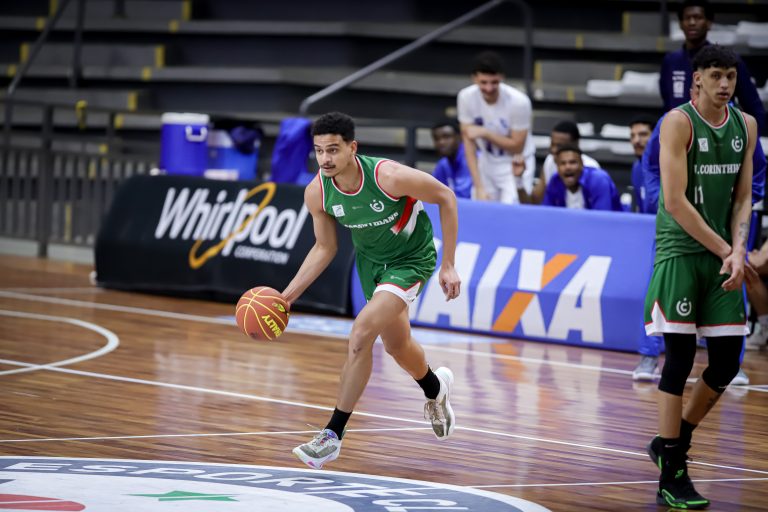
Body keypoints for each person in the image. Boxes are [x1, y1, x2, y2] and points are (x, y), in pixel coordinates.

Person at [282, 112, 461, 470]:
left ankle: (332, 435)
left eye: (333, 149)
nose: (325, 159)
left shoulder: (389, 176)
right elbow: (324, 248)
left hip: (411, 259)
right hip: (371, 266)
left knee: (361, 333)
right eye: (319, 151)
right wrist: (286, 297)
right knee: (397, 346)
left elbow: (446, 196)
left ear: (353, 147)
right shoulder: (318, 191)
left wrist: (449, 264)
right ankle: (435, 389)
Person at [643, 45, 758, 509]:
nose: (725, 84)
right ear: (697, 79)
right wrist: (729, 251)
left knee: (727, 362)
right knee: (680, 359)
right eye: (716, 75)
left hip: (722, 256)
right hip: (680, 253)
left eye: (730, 75)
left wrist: (739, 249)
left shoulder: (746, 125)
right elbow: (674, 201)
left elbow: (744, 197)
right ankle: (672, 473)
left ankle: (673, 441)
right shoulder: (677, 122)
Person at [660, 0, 766, 135]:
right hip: (680, 136)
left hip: (719, 137)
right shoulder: (671, 61)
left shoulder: (728, 60)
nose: (692, 22)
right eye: (687, 18)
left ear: (709, 23)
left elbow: (753, 106)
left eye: (698, 17)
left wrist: (754, 141)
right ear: (680, 24)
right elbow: (667, 104)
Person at [457, 50, 536, 203]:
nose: (489, 88)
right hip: (487, 160)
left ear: (502, 78)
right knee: (481, 207)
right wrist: (479, 186)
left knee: (512, 209)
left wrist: (485, 133)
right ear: (474, 79)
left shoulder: (519, 102)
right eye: (483, 82)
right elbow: (468, 143)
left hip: (515, 162)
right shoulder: (466, 97)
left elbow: (517, 146)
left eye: (494, 82)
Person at [526, 121, 602, 204]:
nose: (553, 150)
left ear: (575, 144)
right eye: (552, 144)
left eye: (560, 146)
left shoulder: (593, 168)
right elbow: (536, 200)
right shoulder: (550, 160)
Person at [542, 145, 622, 211]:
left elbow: (602, 218)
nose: (567, 167)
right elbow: (546, 214)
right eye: (563, 163)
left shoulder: (598, 180)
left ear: (582, 164)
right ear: (557, 167)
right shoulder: (555, 181)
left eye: (572, 162)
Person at [430, 118, 473, 199]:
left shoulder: (472, 159)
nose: (441, 142)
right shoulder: (442, 164)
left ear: (459, 137)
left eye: (446, 137)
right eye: (436, 139)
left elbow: (464, 196)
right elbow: (433, 193)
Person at [629, 114, 657, 214]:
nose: (636, 141)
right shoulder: (636, 168)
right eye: (632, 136)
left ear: (656, 137)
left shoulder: (668, 168)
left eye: (643, 134)